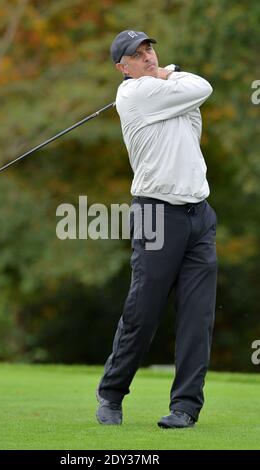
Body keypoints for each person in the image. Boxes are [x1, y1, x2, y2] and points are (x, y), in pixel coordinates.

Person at [96, 30, 217, 429]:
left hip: (199, 215)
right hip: (155, 214)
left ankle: (185, 408)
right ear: (122, 68)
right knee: (143, 312)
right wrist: (170, 74)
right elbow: (200, 84)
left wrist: (168, 75)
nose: (147, 56)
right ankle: (111, 395)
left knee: (197, 317)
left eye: (149, 49)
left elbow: (200, 90)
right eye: (136, 54)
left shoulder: (171, 88)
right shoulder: (133, 95)